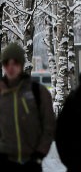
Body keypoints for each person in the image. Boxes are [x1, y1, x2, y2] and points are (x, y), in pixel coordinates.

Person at [0, 42, 55, 172]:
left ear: (22, 64)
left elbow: (49, 127)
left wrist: (39, 155)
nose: (11, 67)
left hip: (31, 162)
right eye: (7, 63)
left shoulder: (38, 92)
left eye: (15, 63)